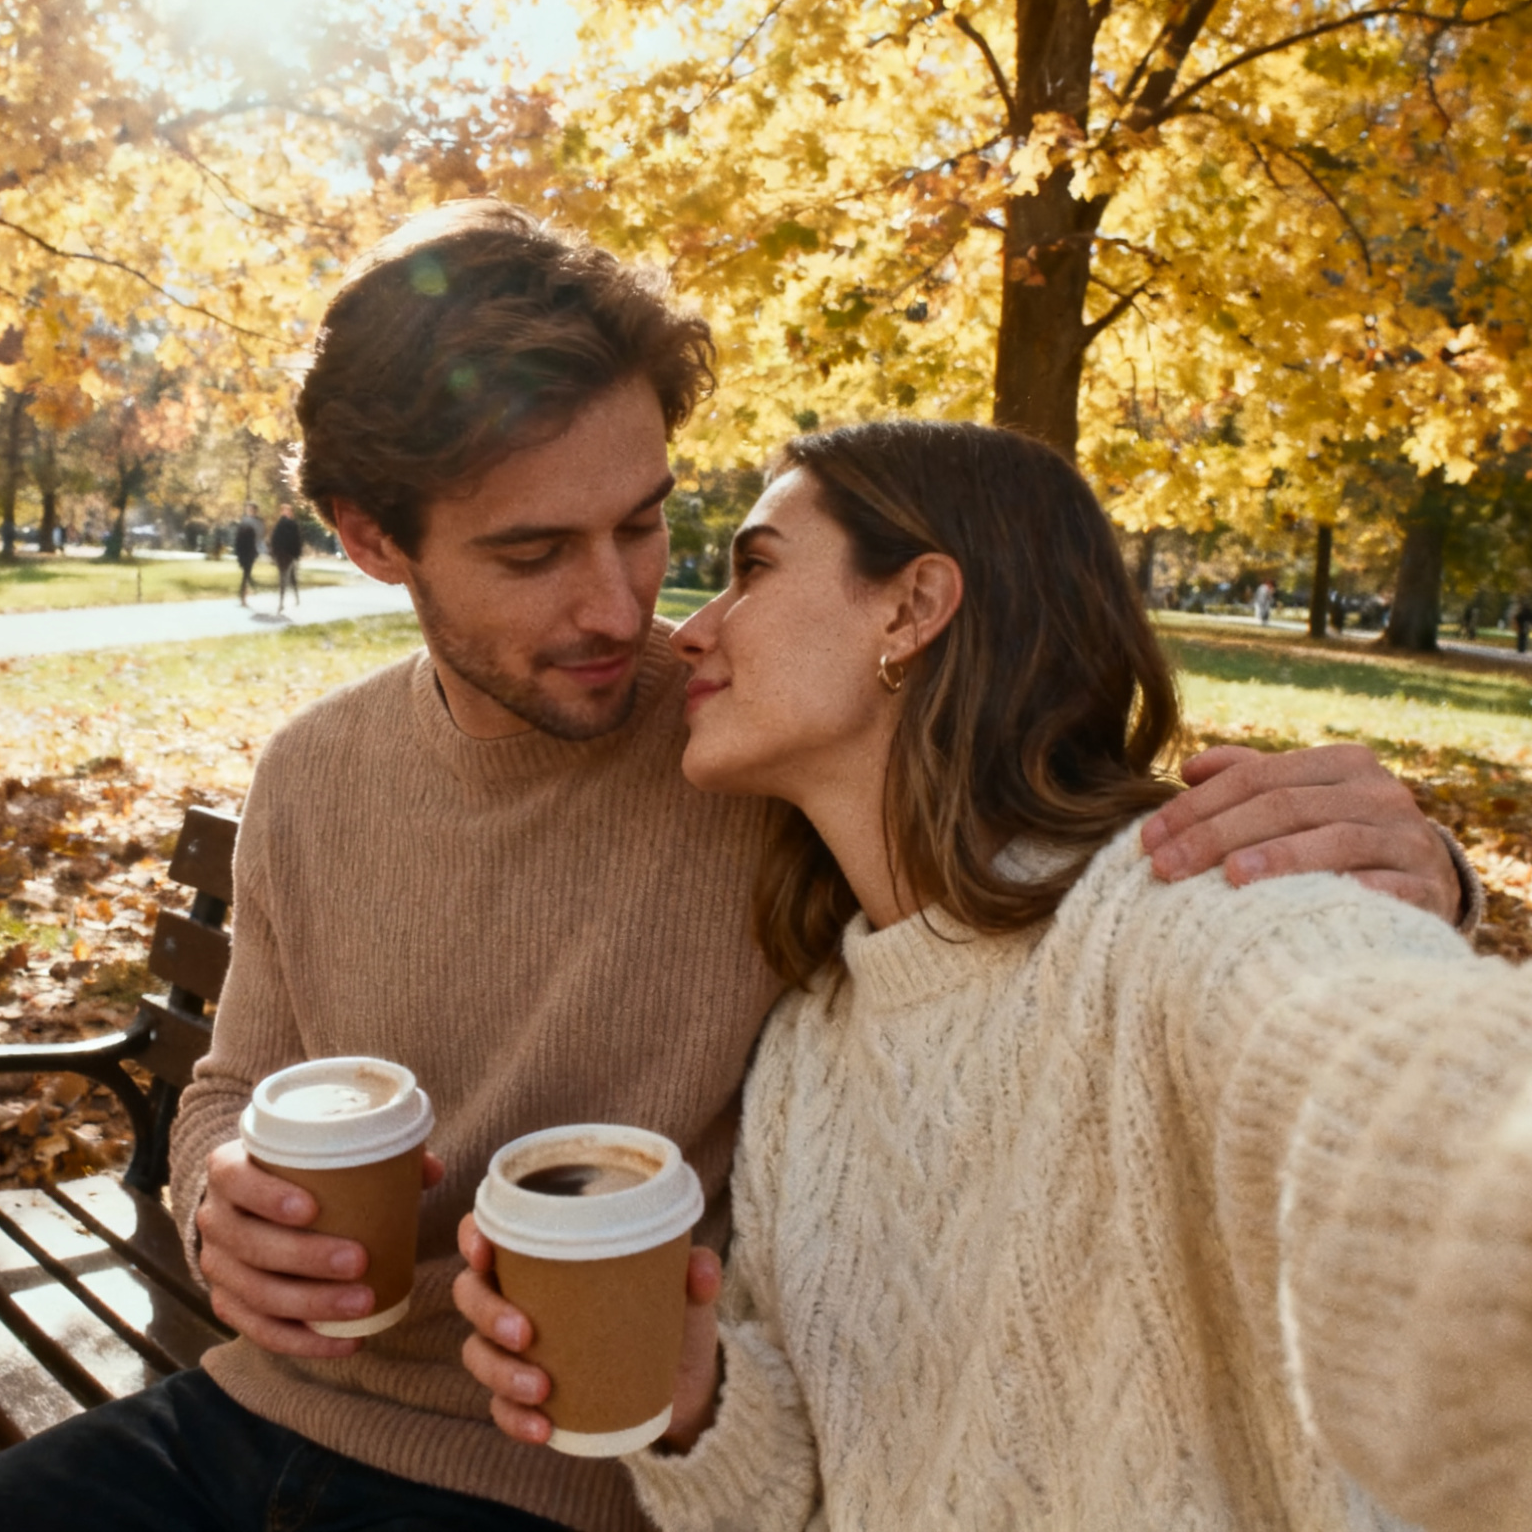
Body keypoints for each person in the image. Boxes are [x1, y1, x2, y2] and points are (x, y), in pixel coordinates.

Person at [0, 201, 1472, 1532]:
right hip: (251, 1411)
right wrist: (219, 1202)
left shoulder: (751, 752)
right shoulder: (317, 771)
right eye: (532, 554)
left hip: (555, 1480)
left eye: (646, 525)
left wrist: (1410, 881)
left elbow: (1052, 874)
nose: (629, 607)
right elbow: (225, 1092)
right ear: (377, 544)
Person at [458, 420, 1529, 1530]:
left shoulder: (1184, 906)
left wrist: (1417, 901)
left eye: (754, 568)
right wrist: (694, 1399)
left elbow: (1422, 1091)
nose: (690, 630)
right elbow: (805, 1491)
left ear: (912, 608)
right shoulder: (810, 1043)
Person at [270, 502, 303, 613]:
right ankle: (282, 602)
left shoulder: (292, 525)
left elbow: (297, 541)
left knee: (290, 577)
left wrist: (296, 554)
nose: (287, 513)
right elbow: (275, 540)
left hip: (289, 555)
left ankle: (294, 598)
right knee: (285, 578)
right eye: (285, 511)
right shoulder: (281, 525)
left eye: (288, 511)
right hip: (283, 555)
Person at [234, 504, 263, 606]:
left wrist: (257, 551)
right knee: (246, 573)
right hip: (242, 549)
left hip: (251, 550)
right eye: (248, 509)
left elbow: (259, 538)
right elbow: (238, 536)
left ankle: (243, 596)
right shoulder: (243, 521)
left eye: (251, 510)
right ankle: (246, 592)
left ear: (255, 511)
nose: (249, 511)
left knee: (246, 573)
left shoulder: (258, 523)